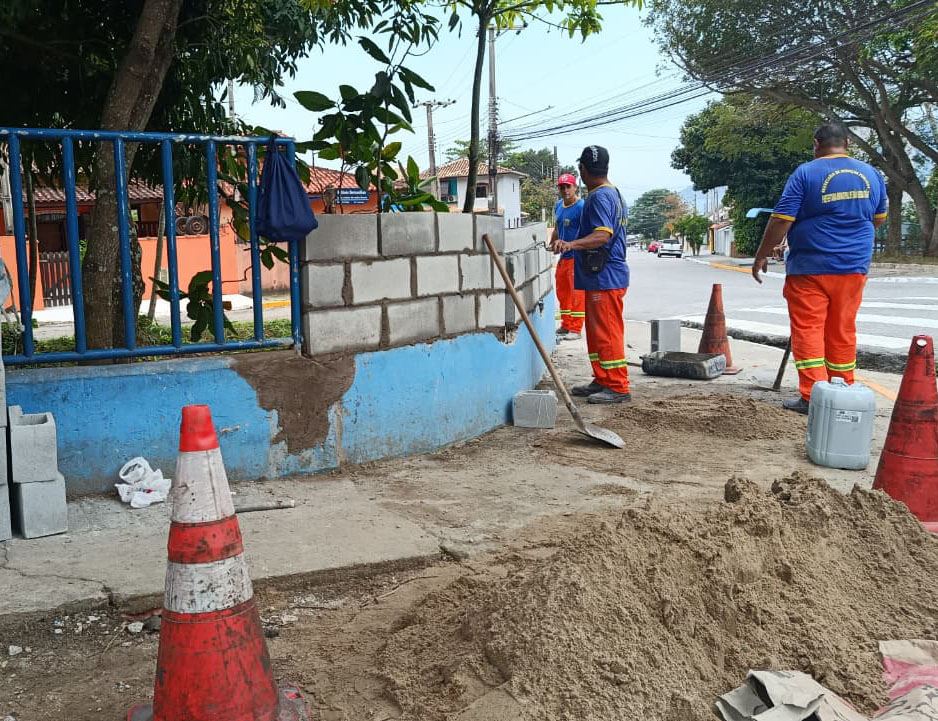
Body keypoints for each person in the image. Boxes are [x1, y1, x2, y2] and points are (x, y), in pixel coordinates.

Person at [751, 120, 887, 414]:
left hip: (810, 267)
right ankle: (842, 390)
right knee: (842, 329)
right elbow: (878, 218)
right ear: (847, 143)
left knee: (809, 329)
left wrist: (761, 255)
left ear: (816, 145)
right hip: (853, 266)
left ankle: (814, 395)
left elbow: (781, 219)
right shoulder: (871, 174)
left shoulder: (806, 173)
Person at [555, 145, 631, 404]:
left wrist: (571, 244)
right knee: (597, 332)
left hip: (606, 276)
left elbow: (602, 235)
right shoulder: (613, 193)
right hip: (601, 276)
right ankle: (602, 379)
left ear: (582, 170)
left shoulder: (599, 197)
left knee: (607, 332)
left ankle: (617, 386)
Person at [550, 173, 586, 341]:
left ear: (575, 187)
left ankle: (576, 329)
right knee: (562, 291)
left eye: (568, 187)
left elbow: (588, 232)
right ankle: (566, 325)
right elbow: (557, 228)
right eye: (562, 187)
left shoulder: (581, 207)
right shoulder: (559, 205)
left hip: (577, 257)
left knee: (576, 294)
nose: (565, 190)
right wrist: (552, 243)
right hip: (563, 257)